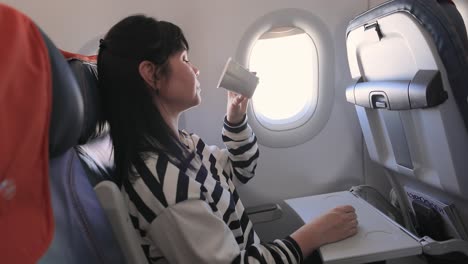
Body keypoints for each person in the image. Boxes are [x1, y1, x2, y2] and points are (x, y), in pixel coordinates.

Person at [97, 14, 358, 264]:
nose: (196, 70)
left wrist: (236, 120)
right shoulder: (161, 181)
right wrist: (312, 235)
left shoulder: (183, 145)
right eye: (185, 60)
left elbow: (242, 169)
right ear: (152, 74)